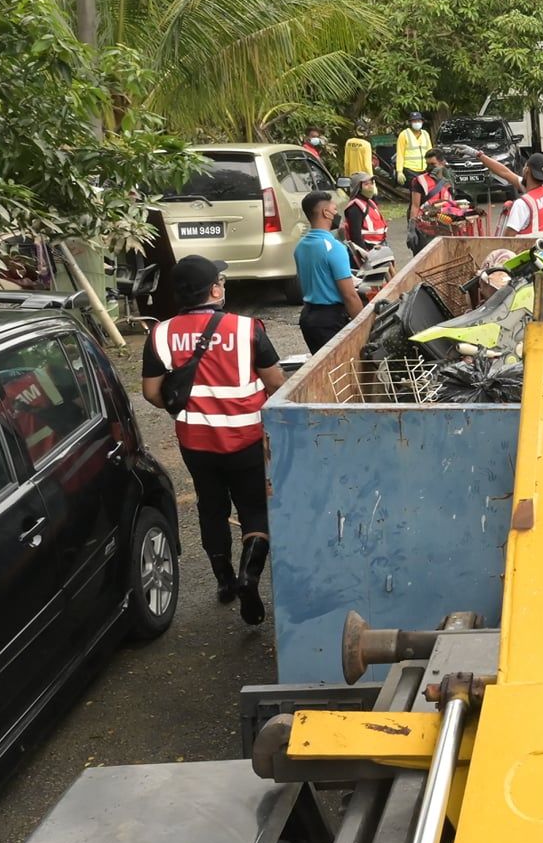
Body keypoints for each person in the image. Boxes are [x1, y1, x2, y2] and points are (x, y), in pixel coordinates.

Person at [142, 256, 287, 624]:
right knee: (254, 509)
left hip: (196, 442)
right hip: (246, 438)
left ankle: (224, 581)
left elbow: (151, 392)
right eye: (220, 280)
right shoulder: (246, 329)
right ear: (214, 290)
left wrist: (184, 409)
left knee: (211, 508)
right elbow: (276, 383)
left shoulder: (160, 335)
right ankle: (249, 575)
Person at [294, 191, 365, 353]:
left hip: (308, 318)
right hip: (330, 319)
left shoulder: (300, 246)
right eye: (334, 209)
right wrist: (363, 326)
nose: (337, 214)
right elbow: (349, 295)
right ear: (326, 213)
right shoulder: (334, 247)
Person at [499, 153, 543, 237]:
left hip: (528, 245)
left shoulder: (521, 204)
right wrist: (480, 155)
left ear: (526, 170)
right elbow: (506, 173)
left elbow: (507, 239)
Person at [339, 170, 389, 263]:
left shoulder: (370, 202)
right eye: (366, 184)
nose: (370, 187)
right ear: (358, 188)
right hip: (368, 250)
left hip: (379, 246)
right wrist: (365, 255)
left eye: (371, 183)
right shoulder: (355, 207)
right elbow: (356, 235)